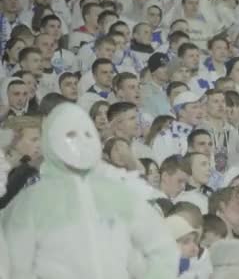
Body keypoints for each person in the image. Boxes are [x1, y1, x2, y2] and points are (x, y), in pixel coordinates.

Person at [1, 103, 178, 278]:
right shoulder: (33, 198)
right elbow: (17, 263)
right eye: (70, 136)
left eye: (87, 134)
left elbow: (157, 246)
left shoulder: (115, 189)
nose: (81, 142)